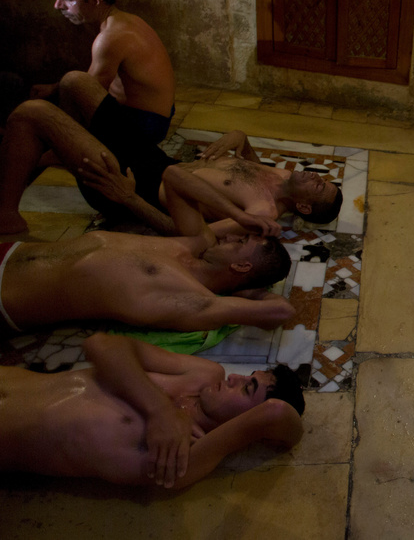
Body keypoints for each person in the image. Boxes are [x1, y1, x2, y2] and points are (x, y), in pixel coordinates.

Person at [0, 162, 295, 333]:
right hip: (11, 250)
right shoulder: (197, 242)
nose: (231, 235)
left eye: (240, 241)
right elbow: (174, 176)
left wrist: (250, 291)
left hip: (8, 299)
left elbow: (281, 311)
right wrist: (241, 216)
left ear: (241, 267)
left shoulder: (192, 298)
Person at [0, 333, 304, 490]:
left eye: (247, 388)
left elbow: (277, 413)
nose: (234, 378)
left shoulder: (187, 456)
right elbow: (100, 344)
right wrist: (160, 410)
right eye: (246, 376)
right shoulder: (202, 374)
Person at [0, 96, 342, 235]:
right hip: (154, 157)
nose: (315, 175)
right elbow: (248, 163)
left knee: (34, 112)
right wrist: (240, 136)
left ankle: (8, 219)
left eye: (319, 185)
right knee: (76, 83)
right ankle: (55, 149)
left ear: (303, 206)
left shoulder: (261, 213)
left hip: (133, 185)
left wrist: (129, 200)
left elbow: (188, 236)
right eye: (322, 177)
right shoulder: (280, 175)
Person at [30, 0, 176, 147]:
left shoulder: (110, 38)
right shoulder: (126, 20)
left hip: (146, 126)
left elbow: (85, 93)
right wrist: (54, 88)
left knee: (45, 127)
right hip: (153, 116)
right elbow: (90, 81)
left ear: (95, 0)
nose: (57, 5)